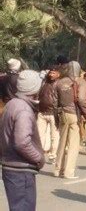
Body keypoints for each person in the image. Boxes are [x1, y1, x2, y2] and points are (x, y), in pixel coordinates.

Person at [0, 70, 45, 211]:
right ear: (34, 88)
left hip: (11, 166)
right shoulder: (24, 110)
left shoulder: (12, 104)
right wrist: (38, 158)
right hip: (20, 169)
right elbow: (22, 142)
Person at [54, 61, 86, 179]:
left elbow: (55, 102)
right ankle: (69, 172)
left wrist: (56, 117)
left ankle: (58, 169)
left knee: (62, 142)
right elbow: (81, 99)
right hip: (74, 115)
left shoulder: (59, 83)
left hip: (62, 113)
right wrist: (85, 112)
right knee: (73, 144)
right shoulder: (81, 82)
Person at [37, 65, 60, 164]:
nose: (51, 74)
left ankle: (53, 155)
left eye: (54, 73)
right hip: (42, 112)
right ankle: (40, 154)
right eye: (50, 72)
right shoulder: (44, 82)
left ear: (59, 74)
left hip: (53, 113)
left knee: (54, 135)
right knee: (39, 134)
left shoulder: (59, 84)